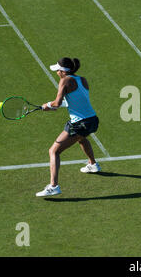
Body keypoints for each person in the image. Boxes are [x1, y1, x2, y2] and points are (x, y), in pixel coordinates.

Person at [36, 57, 102, 197]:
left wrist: (47, 106)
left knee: (54, 151)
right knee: (81, 139)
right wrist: (54, 105)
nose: (57, 73)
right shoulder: (82, 80)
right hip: (92, 120)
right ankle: (93, 164)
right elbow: (76, 99)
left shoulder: (64, 81)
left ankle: (54, 186)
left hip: (80, 123)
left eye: (58, 70)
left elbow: (57, 103)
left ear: (63, 71)